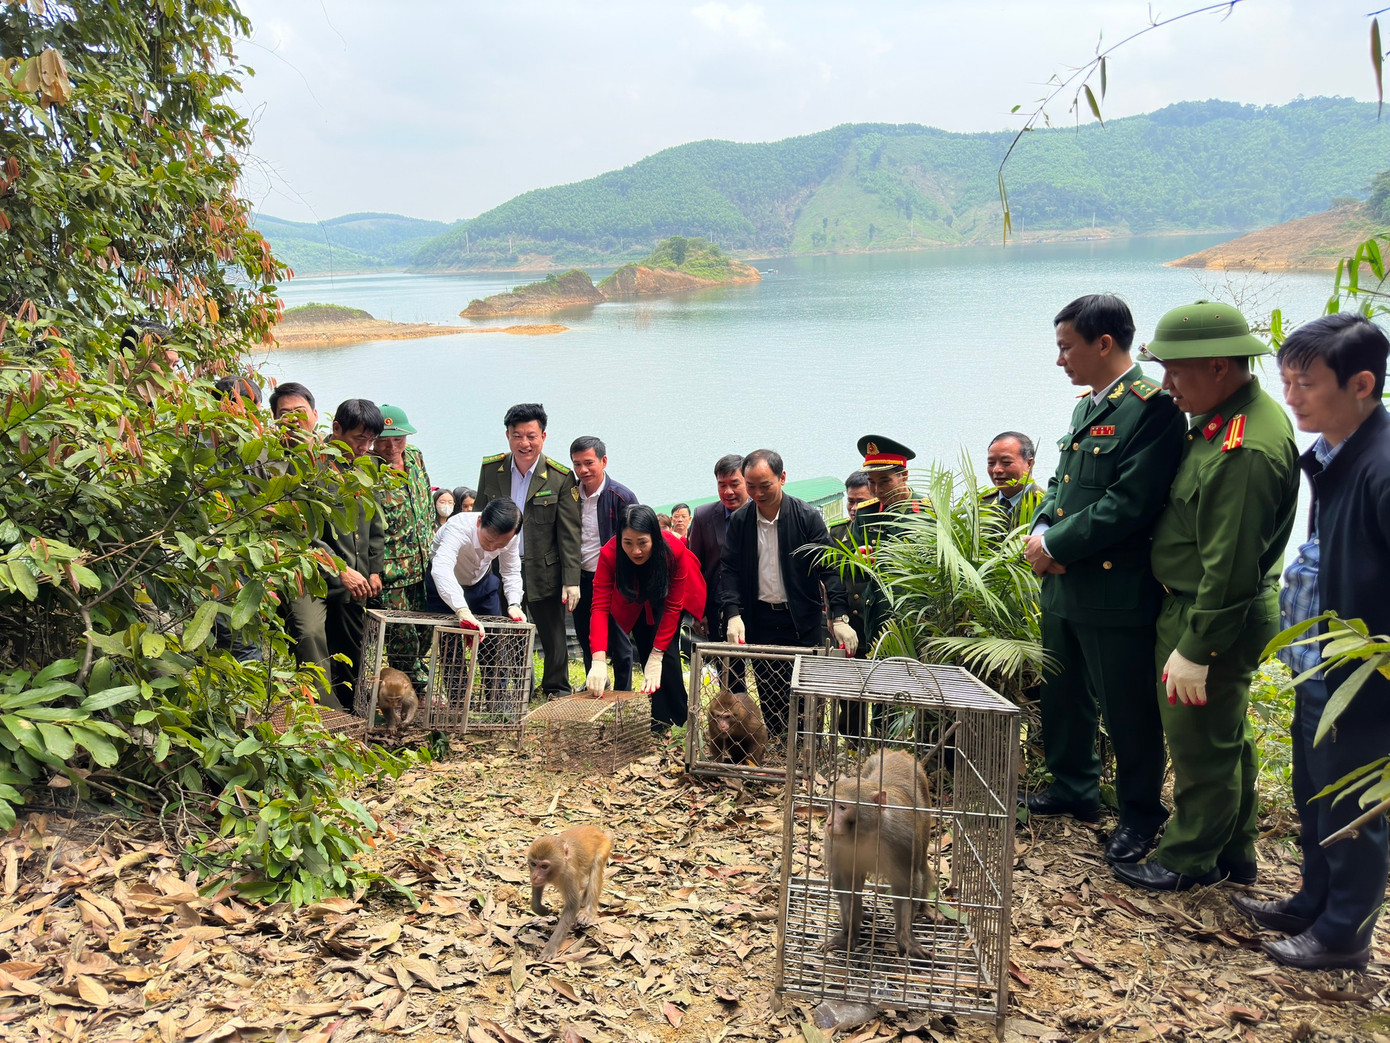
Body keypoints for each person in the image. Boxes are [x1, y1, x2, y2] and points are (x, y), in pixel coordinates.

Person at [1110, 300, 1298, 893]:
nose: (1166, 384)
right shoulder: (1226, 418)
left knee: (1199, 746)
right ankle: (1235, 852)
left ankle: (1189, 858)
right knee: (1224, 735)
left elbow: (1232, 569)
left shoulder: (1244, 450)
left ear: (1219, 366)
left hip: (1212, 615)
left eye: (1175, 371)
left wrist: (1197, 648)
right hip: (1200, 607)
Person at [1228, 314, 1390, 971]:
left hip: (1363, 676)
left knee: (1353, 802)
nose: (1290, 395)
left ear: (1361, 383)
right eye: (1285, 380)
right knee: (1316, 789)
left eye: (1304, 382)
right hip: (1317, 667)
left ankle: (1344, 932)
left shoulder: (1381, 467)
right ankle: (1314, 900)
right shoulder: (1333, 451)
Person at [1023, 295, 1187, 867]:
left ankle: (1141, 813)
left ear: (1103, 344)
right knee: (1064, 694)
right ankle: (1075, 789)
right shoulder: (1086, 408)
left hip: (1115, 590)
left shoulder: (1153, 409)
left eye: (1067, 347)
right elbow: (1062, 483)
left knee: (1127, 707)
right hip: (1064, 586)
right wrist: (1044, 526)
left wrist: (1057, 544)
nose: (1060, 359)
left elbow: (1129, 504)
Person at [719, 449, 855, 735]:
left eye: (765, 485)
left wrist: (839, 617)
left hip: (801, 620)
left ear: (782, 478)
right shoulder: (742, 521)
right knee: (769, 694)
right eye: (751, 486)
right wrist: (733, 614)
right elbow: (729, 570)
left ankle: (808, 752)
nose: (757, 493)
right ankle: (780, 755)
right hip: (761, 619)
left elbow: (828, 568)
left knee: (806, 696)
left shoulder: (806, 517)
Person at [474, 403, 580, 698]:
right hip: (498, 567)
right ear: (507, 435)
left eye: (531, 436)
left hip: (543, 568)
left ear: (543, 437)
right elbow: (478, 520)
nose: (525, 443)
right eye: (517, 435)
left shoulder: (559, 477)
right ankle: (504, 689)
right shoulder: (491, 470)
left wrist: (571, 579)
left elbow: (569, 533)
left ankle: (556, 688)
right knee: (500, 631)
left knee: (552, 632)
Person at [585, 505, 707, 729]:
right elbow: (600, 607)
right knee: (643, 645)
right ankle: (659, 721)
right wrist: (598, 660)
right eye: (628, 543)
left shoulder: (673, 551)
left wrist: (657, 653)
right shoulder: (609, 554)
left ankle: (682, 720)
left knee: (666, 653)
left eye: (642, 542)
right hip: (634, 597)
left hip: (667, 592)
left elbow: (672, 607)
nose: (636, 551)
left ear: (654, 536)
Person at [321, 399, 387, 711]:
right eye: (359, 438)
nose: (365, 447)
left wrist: (374, 570)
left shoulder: (367, 468)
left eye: (371, 440)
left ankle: (360, 710)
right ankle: (349, 712)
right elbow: (307, 534)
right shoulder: (313, 467)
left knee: (359, 649)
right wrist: (341, 570)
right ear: (336, 429)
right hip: (332, 579)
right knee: (337, 651)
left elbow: (375, 524)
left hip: (362, 581)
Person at [268, 382, 332, 698]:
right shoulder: (263, 459)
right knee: (309, 632)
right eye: (284, 414)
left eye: (299, 412)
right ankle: (325, 713)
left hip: (341, 561)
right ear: (274, 419)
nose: (293, 420)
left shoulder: (331, 454)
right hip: (293, 563)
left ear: (315, 415)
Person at [369, 404, 435, 683]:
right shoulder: (368, 468)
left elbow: (427, 504)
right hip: (391, 572)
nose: (392, 446)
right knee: (402, 637)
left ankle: (411, 684)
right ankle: (416, 688)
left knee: (426, 631)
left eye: (398, 438)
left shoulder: (415, 457)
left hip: (423, 564)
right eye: (384, 439)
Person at [570, 435, 638, 692]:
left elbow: (637, 540)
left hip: (615, 580)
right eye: (577, 464)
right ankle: (595, 686)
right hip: (582, 579)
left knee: (620, 642)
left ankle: (623, 693)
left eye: (589, 463)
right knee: (587, 637)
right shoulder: (570, 496)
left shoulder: (621, 496)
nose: (583, 470)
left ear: (604, 461)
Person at [431, 497, 526, 629]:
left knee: (493, 638)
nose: (492, 548)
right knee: (451, 643)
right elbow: (442, 568)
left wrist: (514, 604)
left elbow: (511, 570)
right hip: (445, 584)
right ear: (479, 522)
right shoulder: (457, 527)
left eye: (500, 545)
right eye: (488, 540)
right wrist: (462, 610)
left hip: (482, 582)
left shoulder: (512, 535)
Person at [687, 454, 750, 643]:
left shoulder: (760, 513)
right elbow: (695, 567)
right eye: (722, 485)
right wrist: (699, 612)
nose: (728, 491)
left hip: (757, 606)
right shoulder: (703, 516)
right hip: (718, 607)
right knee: (727, 668)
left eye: (734, 484)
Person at [981, 431, 1042, 526]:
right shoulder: (982, 506)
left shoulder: (1045, 505)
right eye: (991, 463)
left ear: (1029, 464)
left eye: (1006, 462)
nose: (996, 470)